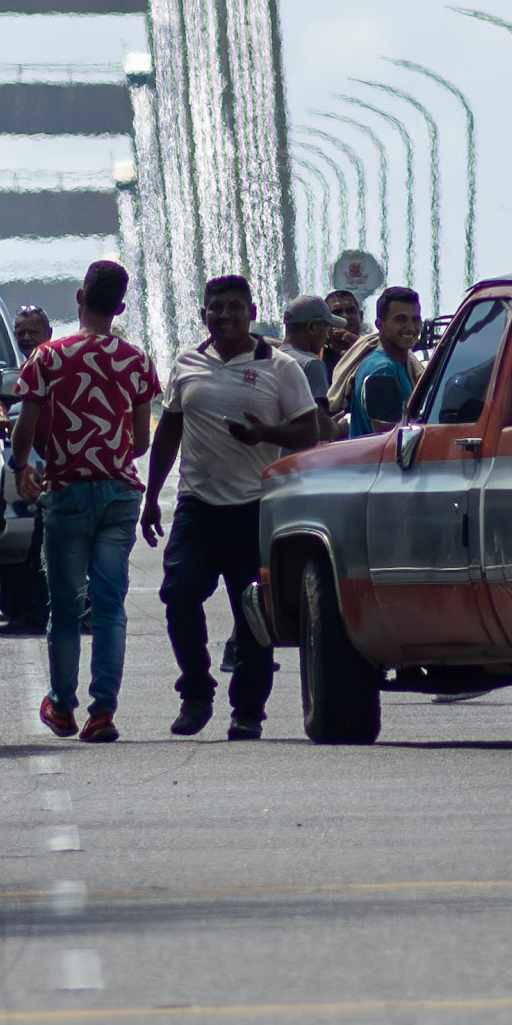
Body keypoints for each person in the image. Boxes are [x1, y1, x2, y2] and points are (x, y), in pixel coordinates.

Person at [144, 274, 316, 739]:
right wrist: (150, 498)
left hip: (255, 510)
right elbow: (169, 431)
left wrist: (266, 435)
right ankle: (196, 691)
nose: (224, 316)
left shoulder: (280, 368)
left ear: (251, 312)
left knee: (253, 614)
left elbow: (309, 433)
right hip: (197, 508)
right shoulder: (187, 362)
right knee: (178, 595)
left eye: (234, 307)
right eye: (215, 308)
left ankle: (248, 711)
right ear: (204, 314)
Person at [17, 260, 158, 744]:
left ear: (80, 297)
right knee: (109, 605)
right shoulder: (136, 360)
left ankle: (61, 706)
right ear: (119, 308)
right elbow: (141, 441)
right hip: (120, 493)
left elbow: (26, 426)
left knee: (64, 606)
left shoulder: (47, 357)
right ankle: (103, 711)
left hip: (67, 490)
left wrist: (22, 467)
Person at [325, 287, 424, 439]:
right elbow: (389, 440)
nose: (411, 327)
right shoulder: (383, 370)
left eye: (415, 319)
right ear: (379, 325)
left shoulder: (399, 364)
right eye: (400, 319)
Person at [279, 296, 339, 409]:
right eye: (325, 328)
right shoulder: (312, 365)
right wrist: (338, 426)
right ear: (311, 327)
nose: (327, 336)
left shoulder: (271, 358)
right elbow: (318, 422)